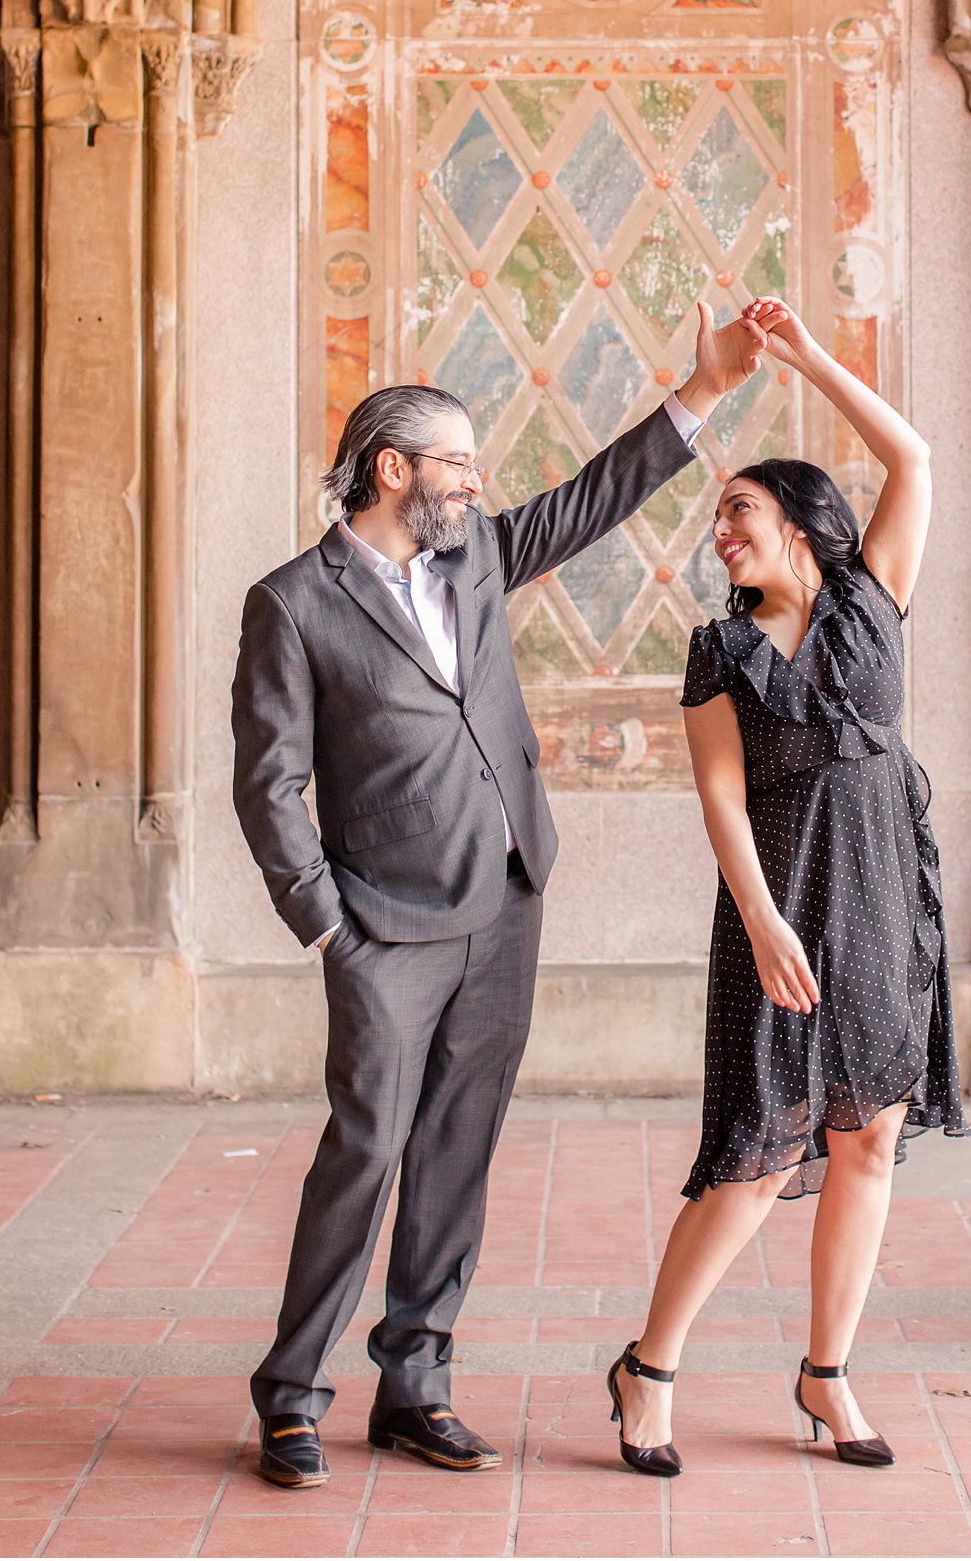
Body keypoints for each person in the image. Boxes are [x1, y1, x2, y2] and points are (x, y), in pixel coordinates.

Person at [230, 301, 766, 1489]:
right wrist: (325, 919)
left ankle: (415, 1385)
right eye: (457, 467)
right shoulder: (293, 604)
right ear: (392, 470)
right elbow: (267, 782)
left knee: (458, 1149)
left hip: (507, 898)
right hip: (382, 925)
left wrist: (703, 391)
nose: (475, 486)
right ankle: (290, 1398)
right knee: (363, 1153)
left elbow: (584, 502)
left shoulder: (470, 552)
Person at [608, 296, 967, 1479]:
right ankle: (647, 1367)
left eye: (740, 511)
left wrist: (808, 356)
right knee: (756, 1156)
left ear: (801, 523)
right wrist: (760, 919)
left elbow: (909, 455)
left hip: (881, 899)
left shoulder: (872, 599)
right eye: (716, 518)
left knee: (865, 1142)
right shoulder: (721, 652)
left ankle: (826, 1374)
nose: (721, 533)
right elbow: (720, 798)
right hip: (783, 910)